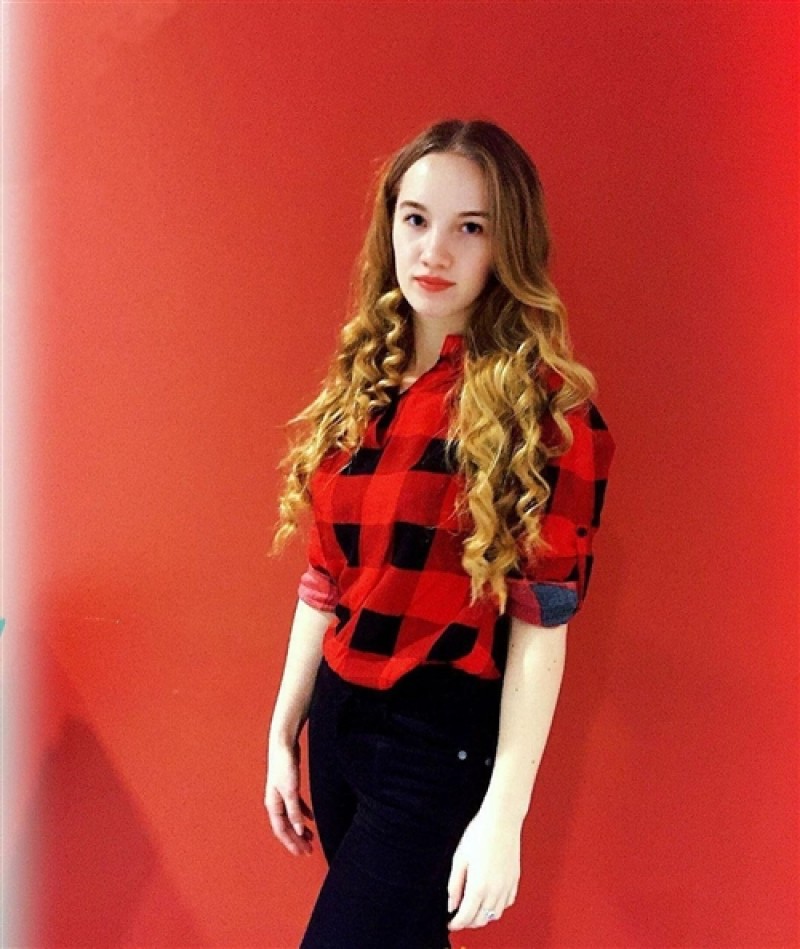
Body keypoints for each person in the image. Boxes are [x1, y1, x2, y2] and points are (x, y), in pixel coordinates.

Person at [264, 118, 616, 949]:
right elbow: (323, 581)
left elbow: (542, 621)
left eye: (471, 228)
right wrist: (283, 729)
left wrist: (505, 813)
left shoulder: (547, 413)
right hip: (338, 724)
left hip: (432, 740)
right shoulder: (367, 382)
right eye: (416, 218)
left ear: (508, 244)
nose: (434, 251)